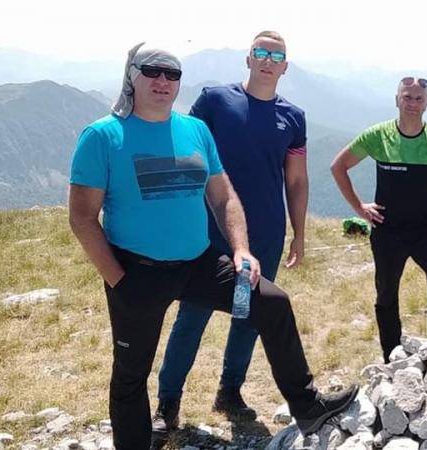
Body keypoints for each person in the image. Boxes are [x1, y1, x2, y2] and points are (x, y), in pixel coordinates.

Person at [67, 42, 355, 449]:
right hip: (136, 271)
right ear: (132, 76)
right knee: (131, 373)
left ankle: (307, 407)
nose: (163, 81)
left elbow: (223, 197)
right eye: (152, 71)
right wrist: (117, 278)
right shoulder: (102, 136)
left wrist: (240, 249)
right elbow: (82, 218)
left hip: (199, 262)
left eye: (172, 74)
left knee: (272, 303)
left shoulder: (194, 131)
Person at [151, 30, 310, 430]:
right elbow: (184, 149)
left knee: (249, 314)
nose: (268, 60)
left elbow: (296, 180)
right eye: (261, 52)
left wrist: (299, 232)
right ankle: (168, 403)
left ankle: (230, 391)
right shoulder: (215, 100)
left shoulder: (293, 117)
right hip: (209, 229)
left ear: (286, 67)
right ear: (248, 58)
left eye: (277, 56)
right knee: (193, 313)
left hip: (266, 233)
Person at [330, 76, 427, 362]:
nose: (412, 103)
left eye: (419, 99)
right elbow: (338, 166)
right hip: (387, 230)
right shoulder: (378, 135)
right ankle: (392, 356)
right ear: (397, 100)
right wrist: (359, 208)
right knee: (386, 292)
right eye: (407, 97)